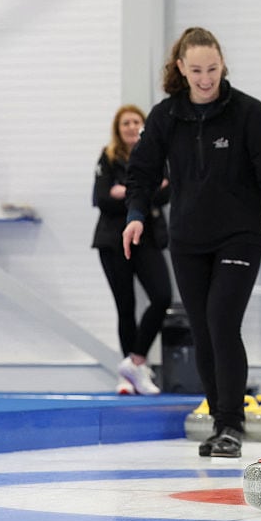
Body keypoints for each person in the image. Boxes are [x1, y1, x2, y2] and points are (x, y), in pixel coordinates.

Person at [123, 27, 261, 458]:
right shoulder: (167, 115)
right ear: (181, 69)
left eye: (213, 69)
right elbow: (142, 170)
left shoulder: (249, 113)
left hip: (239, 236)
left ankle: (230, 426)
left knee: (222, 321)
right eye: (197, 70)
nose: (206, 78)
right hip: (187, 239)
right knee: (203, 332)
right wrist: (134, 215)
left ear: (223, 65)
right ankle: (219, 419)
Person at [92, 105, 173, 395]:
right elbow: (102, 197)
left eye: (136, 122)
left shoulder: (155, 154)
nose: (130, 126)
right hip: (113, 240)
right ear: (118, 128)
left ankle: (136, 361)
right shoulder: (109, 156)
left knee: (162, 296)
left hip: (147, 237)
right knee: (125, 306)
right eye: (125, 122)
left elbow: (167, 191)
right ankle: (128, 376)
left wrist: (123, 190)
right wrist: (142, 191)